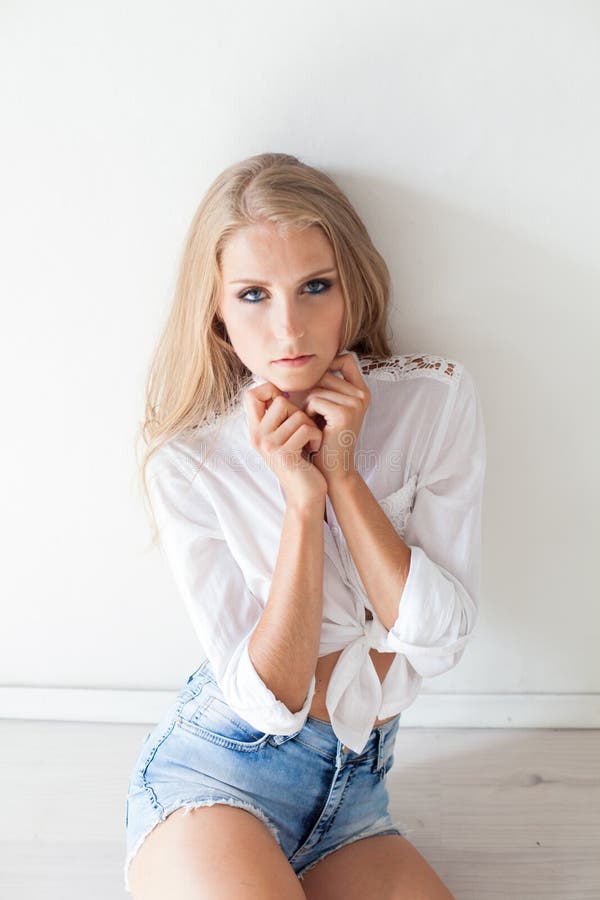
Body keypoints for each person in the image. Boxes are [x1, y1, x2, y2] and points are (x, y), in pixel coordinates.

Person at [124, 152, 485, 899]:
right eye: (253, 294)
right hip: (221, 774)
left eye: (314, 286)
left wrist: (344, 476)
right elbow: (271, 699)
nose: (288, 327)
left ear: (350, 285)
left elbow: (438, 638)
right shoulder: (188, 462)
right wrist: (300, 501)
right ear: (217, 309)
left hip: (356, 799)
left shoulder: (434, 402)